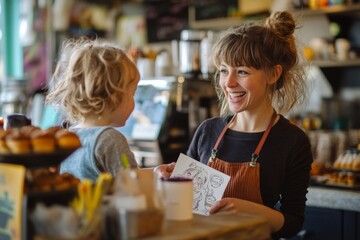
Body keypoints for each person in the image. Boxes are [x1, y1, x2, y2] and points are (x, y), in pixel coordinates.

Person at [154, 11, 313, 239]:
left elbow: (292, 222)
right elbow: (185, 202)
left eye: (241, 71)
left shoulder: (292, 142)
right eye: (223, 71)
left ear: (273, 74)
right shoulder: (208, 130)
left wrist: (250, 211)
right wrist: (168, 180)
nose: (228, 83)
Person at [46, 37, 139, 181]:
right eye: (133, 93)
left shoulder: (68, 136)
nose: (134, 101)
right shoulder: (110, 140)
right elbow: (133, 187)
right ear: (115, 96)